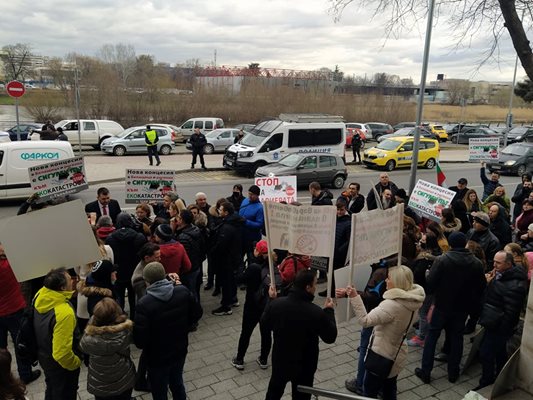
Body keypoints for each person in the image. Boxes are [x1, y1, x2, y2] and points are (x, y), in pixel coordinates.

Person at [338, 265, 424, 400]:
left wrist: (355, 297)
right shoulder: (413, 301)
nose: (385, 281)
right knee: (390, 387)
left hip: (381, 355)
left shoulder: (391, 305)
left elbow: (365, 321)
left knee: (369, 392)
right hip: (398, 354)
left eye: (388, 278)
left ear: (396, 282)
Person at [415, 232, 486, 385]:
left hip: (442, 305)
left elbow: (431, 284)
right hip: (462, 308)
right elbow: (481, 287)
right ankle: (453, 373)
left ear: (451, 244)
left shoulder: (442, 260)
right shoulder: (476, 263)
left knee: (432, 337)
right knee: (456, 338)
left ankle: (426, 371)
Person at [262, 269, 337, 400]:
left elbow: (264, 324)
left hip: (281, 359)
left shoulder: (276, 305)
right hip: (305, 364)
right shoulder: (316, 312)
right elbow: (330, 337)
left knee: (274, 392)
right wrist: (329, 311)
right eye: (315, 284)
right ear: (308, 287)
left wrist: (271, 300)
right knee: (302, 395)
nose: (316, 287)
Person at [134, 262, 202, 400]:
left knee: (159, 391)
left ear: (147, 281)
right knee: (177, 383)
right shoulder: (182, 291)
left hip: (156, 357)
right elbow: (197, 313)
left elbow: (140, 341)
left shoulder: (144, 304)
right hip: (179, 349)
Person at [475, 251, 528, 390]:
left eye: (498, 262)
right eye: (494, 261)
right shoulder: (500, 275)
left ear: (509, 264)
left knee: (486, 353)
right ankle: (501, 378)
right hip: (493, 321)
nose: (494, 265)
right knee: (499, 352)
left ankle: (486, 381)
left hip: (499, 326)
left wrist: (501, 329)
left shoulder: (515, 286)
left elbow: (511, 313)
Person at [34, 268, 82, 400]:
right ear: (62, 287)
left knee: (52, 388)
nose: (72, 281)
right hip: (61, 367)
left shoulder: (40, 295)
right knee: (65, 394)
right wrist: (76, 362)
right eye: (69, 279)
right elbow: (61, 354)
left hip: (45, 356)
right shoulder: (64, 312)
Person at [0, 243, 41, 385]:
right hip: (14, 310)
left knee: (1, 348)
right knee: (20, 343)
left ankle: (3, 376)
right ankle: (25, 374)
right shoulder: (9, 265)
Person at [79, 298, 136, 400]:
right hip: (123, 376)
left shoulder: (88, 340)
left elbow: (83, 346)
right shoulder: (125, 332)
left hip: (99, 381)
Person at [231, 240, 273, 370]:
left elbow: (239, 280)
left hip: (252, 305)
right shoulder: (271, 266)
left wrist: (239, 268)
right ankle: (264, 359)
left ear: (258, 252)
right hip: (266, 305)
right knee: (266, 333)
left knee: (246, 332)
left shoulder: (254, 267)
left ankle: (239, 359)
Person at [105, 212, 147, 318]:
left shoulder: (110, 238)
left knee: (119, 299)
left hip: (118, 273)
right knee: (135, 299)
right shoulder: (139, 237)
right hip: (134, 272)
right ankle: (134, 318)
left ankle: (120, 319)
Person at [211, 202, 244, 315]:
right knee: (231, 281)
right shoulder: (234, 222)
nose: (218, 211)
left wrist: (213, 251)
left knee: (226, 282)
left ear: (226, 212)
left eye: (220, 210)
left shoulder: (227, 227)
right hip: (234, 257)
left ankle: (226, 307)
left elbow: (221, 245)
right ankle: (233, 299)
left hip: (226, 259)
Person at [239, 185, 264, 261]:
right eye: (249, 193)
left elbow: (259, 224)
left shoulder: (260, 208)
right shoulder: (245, 201)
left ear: (257, 195)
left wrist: (246, 222)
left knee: (251, 259)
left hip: (252, 238)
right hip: (241, 235)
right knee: (239, 257)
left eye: (252, 194)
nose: (250, 196)